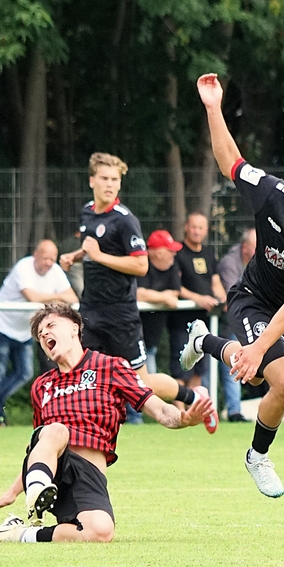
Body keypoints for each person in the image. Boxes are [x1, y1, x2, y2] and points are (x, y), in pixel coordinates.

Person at [180, 73, 284, 498]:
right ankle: (257, 457)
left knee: (258, 378)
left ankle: (203, 341)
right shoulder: (273, 194)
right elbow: (230, 161)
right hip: (251, 298)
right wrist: (214, 107)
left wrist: (258, 349)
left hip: (281, 313)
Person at [0, 302, 214, 543]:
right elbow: (40, 449)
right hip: (55, 470)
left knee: (100, 532)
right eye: (40, 334)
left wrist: (184, 419)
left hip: (89, 473)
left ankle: (17, 533)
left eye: (51, 325)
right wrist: (13, 491)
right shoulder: (42, 386)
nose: (45, 333)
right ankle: (37, 492)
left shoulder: (111, 367)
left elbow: (160, 410)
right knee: (56, 430)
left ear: (74, 328)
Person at [58, 153, 217, 433]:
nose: (110, 184)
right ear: (92, 181)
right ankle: (80, 431)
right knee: (80, 373)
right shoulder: (88, 212)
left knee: (140, 382)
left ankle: (195, 398)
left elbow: (141, 265)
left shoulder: (125, 220)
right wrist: (77, 255)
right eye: (104, 178)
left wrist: (98, 256)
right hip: (90, 310)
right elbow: (95, 247)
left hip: (120, 314)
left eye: (115, 180)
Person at [0, 240, 78, 428]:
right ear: (35, 255)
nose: (49, 263)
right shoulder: (23, 267)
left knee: (25, 372)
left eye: (52, 259)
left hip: (23, 332)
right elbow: (32, 297)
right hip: (0, 325)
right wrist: (58, 297)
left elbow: (72, 298)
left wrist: (57, 298)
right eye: (45, 258)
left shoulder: (55, 272)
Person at [169, 212, 226, 392]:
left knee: (199, 371)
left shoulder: (208, 253)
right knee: (180, 371)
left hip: (204, 321)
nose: (197, 231)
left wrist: (224, 299)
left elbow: (215, 282)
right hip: (181, 322)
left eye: (200, 228)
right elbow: (176, 287)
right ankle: (178, 406)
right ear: (186, 227)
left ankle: (194, 405)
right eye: (193, 227)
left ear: (206, 230)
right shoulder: (177, 253)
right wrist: (199, 299)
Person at [215, 228, 257, 422]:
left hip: (249, 320)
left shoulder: (260, 261)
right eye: (255, 246)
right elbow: (235, 296)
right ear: (245, 247)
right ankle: (233, 411)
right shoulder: (229, 263)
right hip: (230, 324)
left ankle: (234, 409)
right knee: (233, 364)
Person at [137, 230, 182, 375]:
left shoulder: (172, 265)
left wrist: (152, 296)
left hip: (152, 339)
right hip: (134, 338)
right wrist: (164, 298)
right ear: (159, 253)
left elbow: (175, 292)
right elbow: (138, 293)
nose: (174, 254)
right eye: (170, 251)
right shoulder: (141, 264)